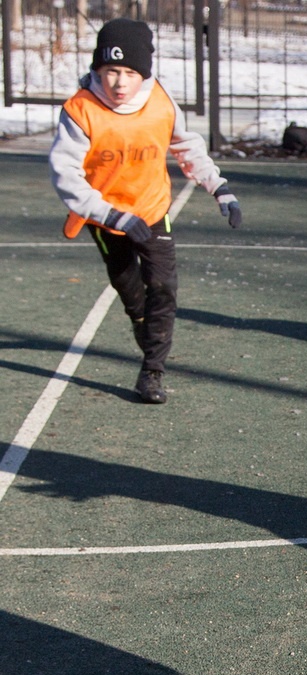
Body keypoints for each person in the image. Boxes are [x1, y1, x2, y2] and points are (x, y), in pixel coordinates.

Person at [49, 18, 243, 404]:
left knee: (164, 288)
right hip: (105, 215)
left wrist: (218, 187)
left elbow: (186, 147)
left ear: (144, 73)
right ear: (97, 70)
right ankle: (140, 320)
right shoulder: (79, 110)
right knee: (128, 287)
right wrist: (112, 215)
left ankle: (153, 371)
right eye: (110, 71)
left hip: (151, 209)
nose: (119, 83)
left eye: (129, 73)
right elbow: (65, 175)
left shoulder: (160, 103)